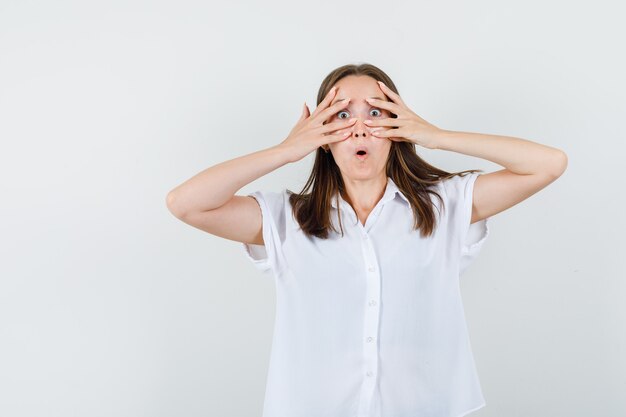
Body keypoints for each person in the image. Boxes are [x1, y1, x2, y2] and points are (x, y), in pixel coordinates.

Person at [166, 63, 568, 417]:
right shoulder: (287, 218)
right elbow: (185, 204)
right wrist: (287, 150)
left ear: (397, 127)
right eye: (341, 115)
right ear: (322, 135)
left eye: (376, 113)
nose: (359, 127)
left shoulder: (445, 205)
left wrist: (435, 135)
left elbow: (549, 165)